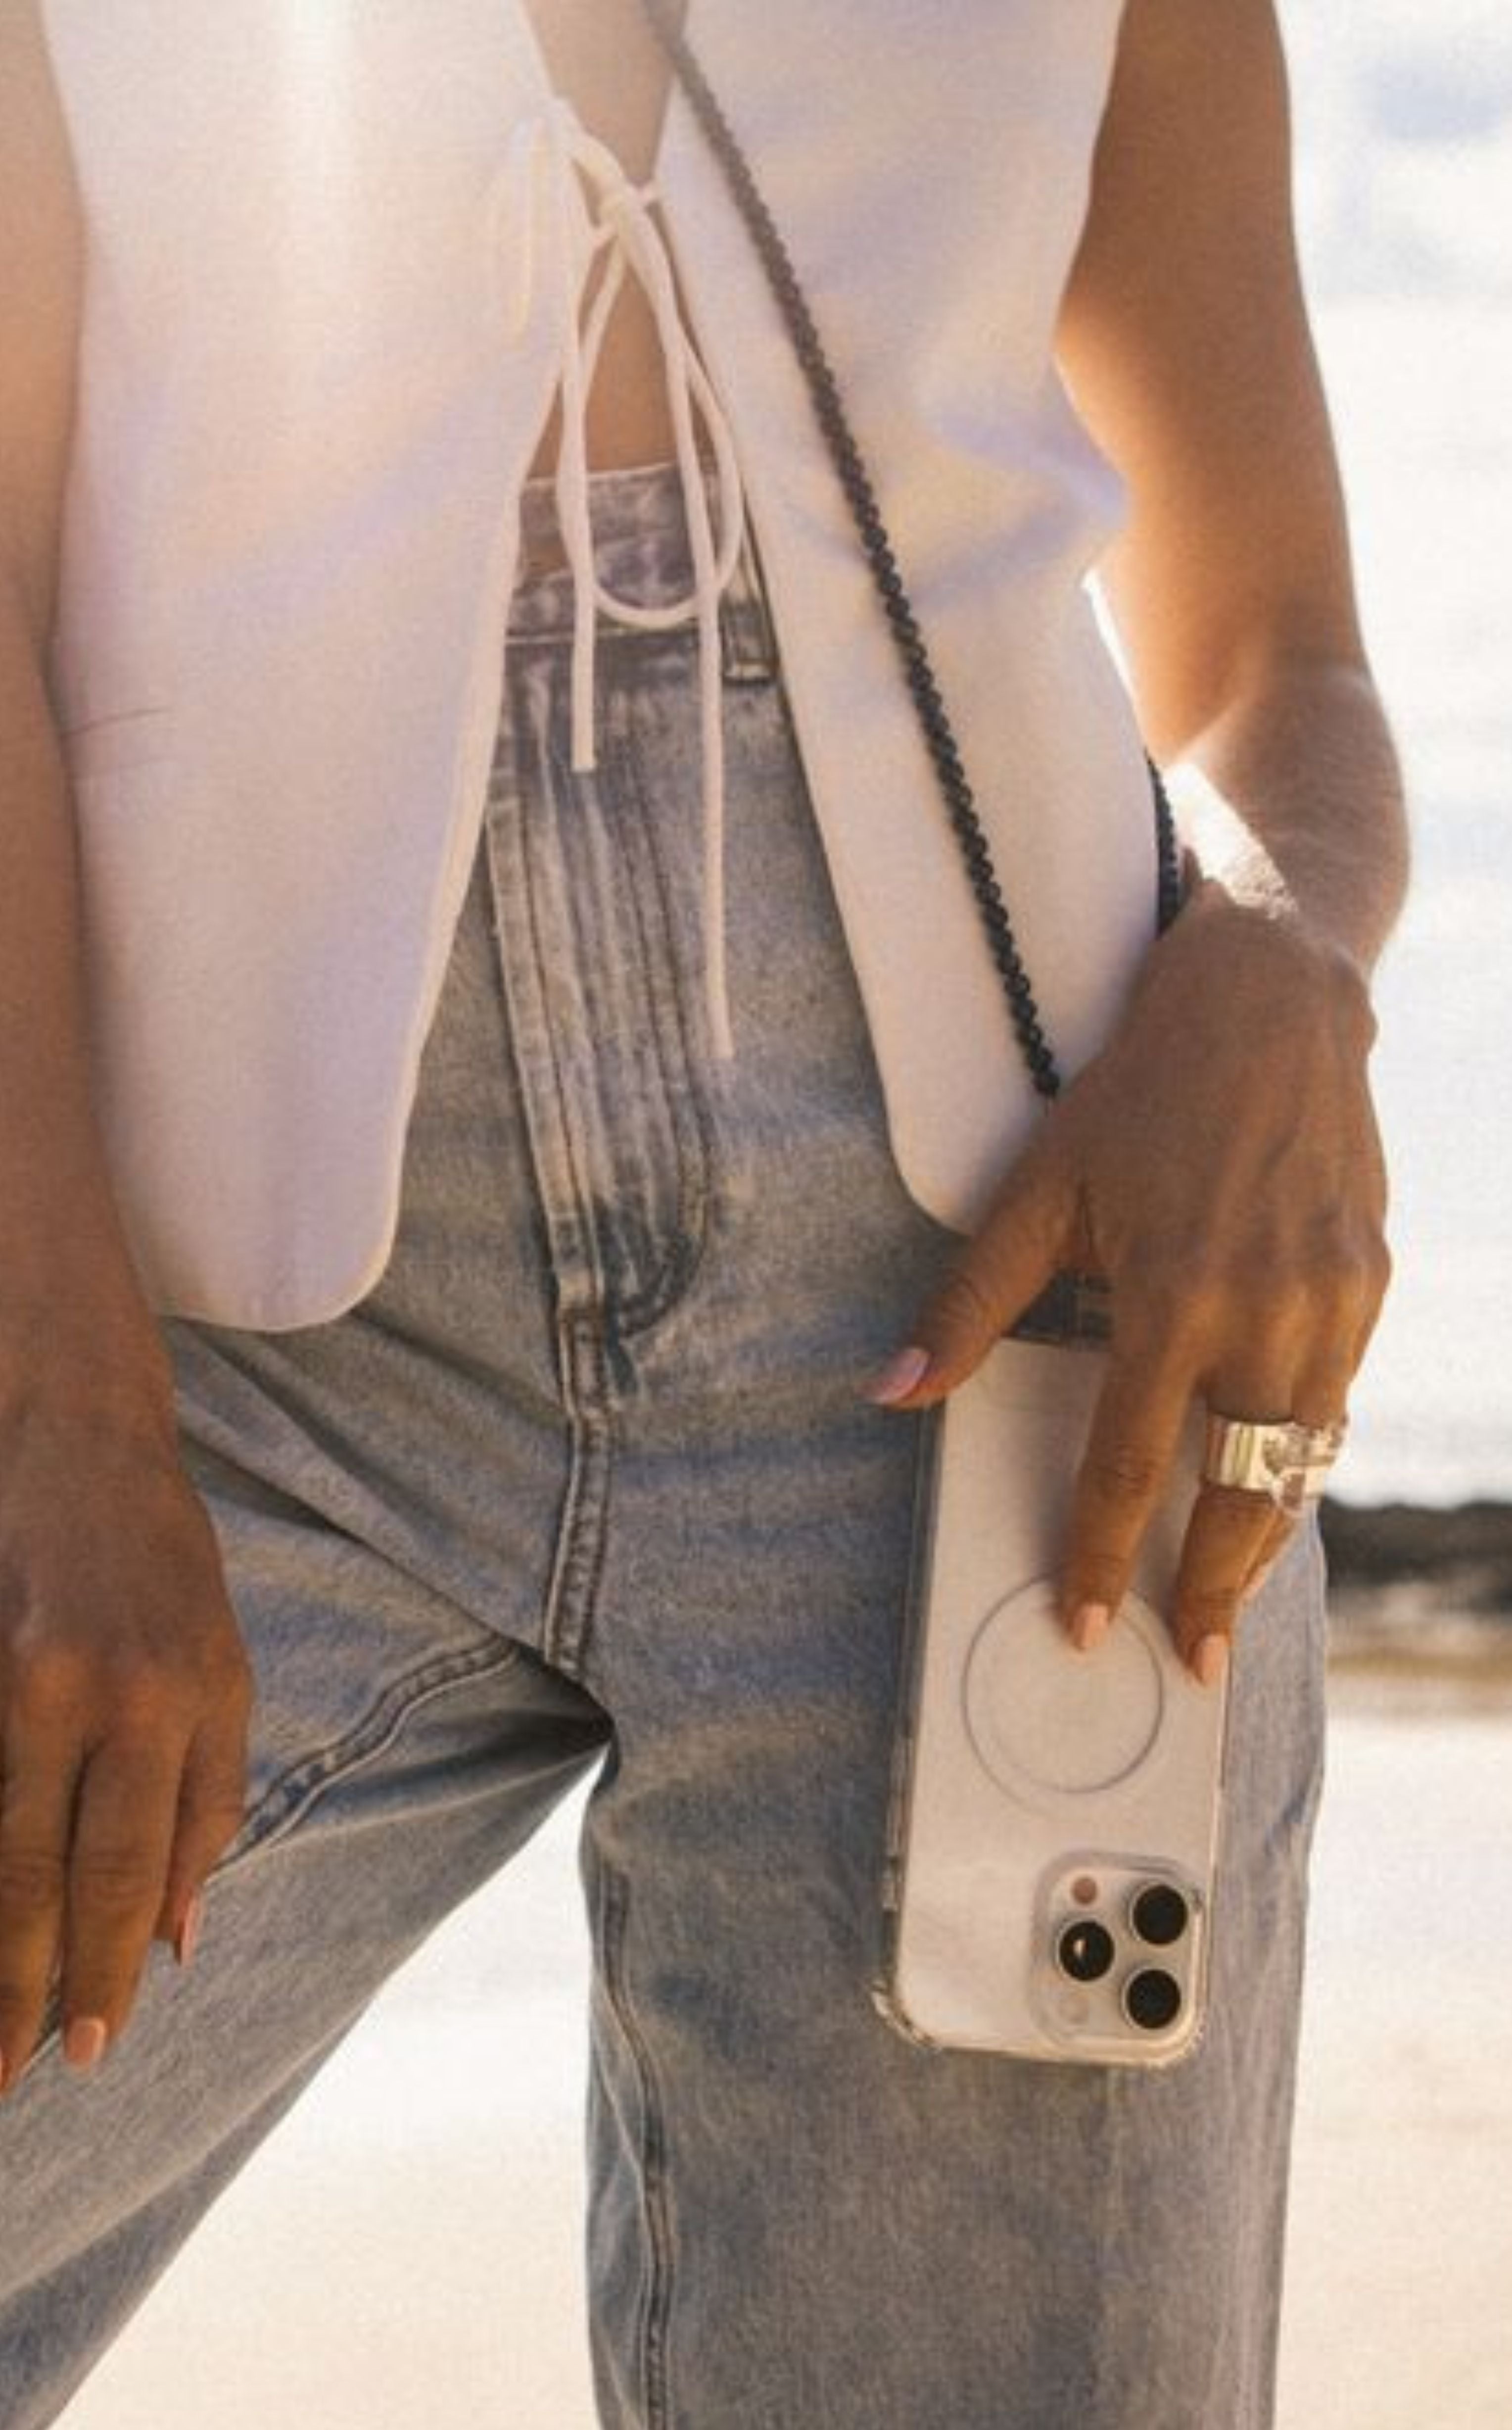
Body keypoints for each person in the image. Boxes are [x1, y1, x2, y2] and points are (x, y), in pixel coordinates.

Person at [0, 0, 1405, 2422]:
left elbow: (1280, 656)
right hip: (213, 1366)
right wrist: (60, 1401)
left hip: (1003, 1359)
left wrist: (1281, 965)